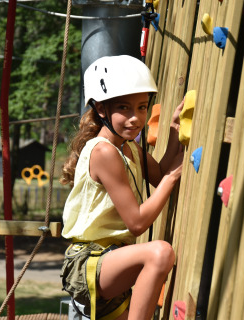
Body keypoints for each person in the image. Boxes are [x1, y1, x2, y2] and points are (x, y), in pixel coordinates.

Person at [60, 55, 184, 320]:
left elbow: (159, 173)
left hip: (112, 259)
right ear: (102, 109)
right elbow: (137, 222)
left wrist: (174, 130)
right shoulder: (104, 152)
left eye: (141, 107)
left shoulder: (127, 147)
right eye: (124, 108)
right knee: (160, 253)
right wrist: (172, 179)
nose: (135, 118)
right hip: (89, 261)